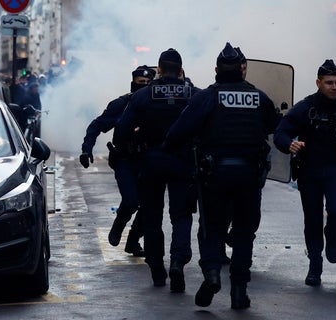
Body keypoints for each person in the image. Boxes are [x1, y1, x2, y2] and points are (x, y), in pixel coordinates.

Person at [163, 42, 278, 309]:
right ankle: (239, 291)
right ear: (242, 70)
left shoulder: (206, 97)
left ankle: (212, 273)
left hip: (214, 175)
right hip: (250, 177)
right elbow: (276, 127)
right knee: (243, 233)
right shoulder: (258, 97)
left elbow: (177, 133)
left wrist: (175, 150)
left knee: (212, 229)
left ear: (216, 70)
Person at [273, 59, 336, 287]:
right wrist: (289, 145)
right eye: (329, 83)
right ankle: (315, 264)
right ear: (319, 83)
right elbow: (281, 133)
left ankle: (332, 232)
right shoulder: (306, 108)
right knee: (312, 220)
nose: (334, 87)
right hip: (310, 171)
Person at [113, 48, 200, 293]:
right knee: (181, 215)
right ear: (181, 71)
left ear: (159, 70)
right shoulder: (194, 95)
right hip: (183, 163)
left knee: (152, 217)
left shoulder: (142, 96)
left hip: (150, 162)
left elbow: (121, 133)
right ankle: (178, 261)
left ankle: (157, 269)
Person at [80, 65, 156, 257]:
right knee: (131, 201)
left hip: (147, 160)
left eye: (148, 83)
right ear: (133, 83)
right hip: (125, 160)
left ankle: (133, 241)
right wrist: (86, 149)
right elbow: (96, 125)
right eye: (141, 83)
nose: (145, 86)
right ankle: (119, 225)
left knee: (149, 205)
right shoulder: (122, 104)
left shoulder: (156, 104)